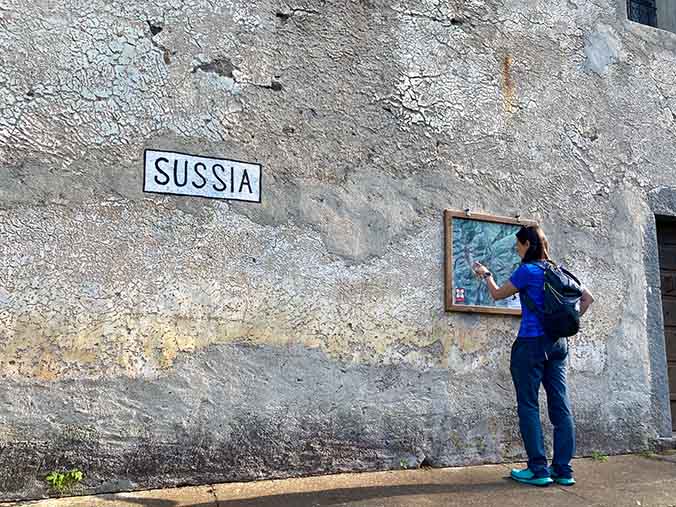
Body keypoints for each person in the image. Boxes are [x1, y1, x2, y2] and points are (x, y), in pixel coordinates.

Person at [472, 224, 594, 487]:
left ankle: (538, 470)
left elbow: (496, 294)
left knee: (528, 405)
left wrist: (485, 274)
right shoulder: (558, 270)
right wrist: (560, 325)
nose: (516, 249)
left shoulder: (527, 271)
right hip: (558, 344)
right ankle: (563, 470)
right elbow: (587, 299)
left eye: (518, 244)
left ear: (528, 244)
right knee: (560, 406)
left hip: (530, 345)